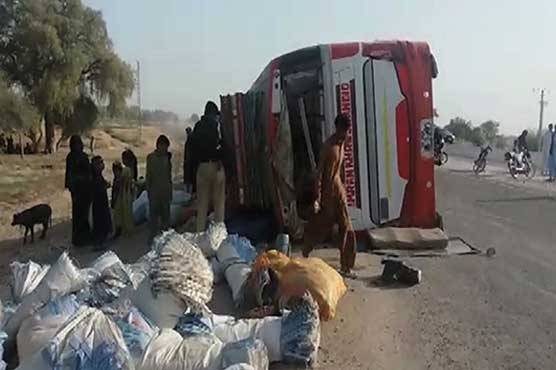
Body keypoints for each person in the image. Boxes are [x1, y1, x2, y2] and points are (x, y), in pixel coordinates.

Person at [303, 113, 357, 278]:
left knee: (346, 227)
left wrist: (344, 186)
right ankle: (305, 251)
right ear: (338, 128)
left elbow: (339, 169)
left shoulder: (342, 144)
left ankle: (347, 266)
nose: (346, 134)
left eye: (347, 131)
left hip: (338, 192)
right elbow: (319, 174)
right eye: (344, 130)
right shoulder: (328, 146)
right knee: (321, 227)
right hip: (327, 195)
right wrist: (317, 198)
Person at [190, 101, 228, 232]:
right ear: (213, 114)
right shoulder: (217, 125)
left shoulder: (197, 126)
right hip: (215, 166)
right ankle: (218, 237)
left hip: (201, 168)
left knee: (202, 205)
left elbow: (192, 150)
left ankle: (200, 235)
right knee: (219, 204)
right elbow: (223, 145)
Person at [65, 135, 92, 246]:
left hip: (84, 189)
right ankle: (78, 238)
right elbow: (69, 174)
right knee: (77, 215)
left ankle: (84, 237)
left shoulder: (83, 156)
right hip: (77, 190)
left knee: (84, 214)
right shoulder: (71, 157)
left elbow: (88, 173)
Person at [146, 135, 173, 242]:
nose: (165, 149)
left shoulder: (167, 158)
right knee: (153, 218)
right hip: (154, 193)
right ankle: (152, 238)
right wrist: (149, 191)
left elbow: (169, 176)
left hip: (165, 192)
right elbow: (149, 176)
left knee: (166, 218)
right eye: (164, 146)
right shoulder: (151, 158)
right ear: (159, 145)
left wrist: (170, 191)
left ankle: (165, 239)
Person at [90, 156, 112, 250]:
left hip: (102, 201)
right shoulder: (92, 176)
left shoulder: (99, 175)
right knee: (99, 222)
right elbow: (95, 188)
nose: (102, 165)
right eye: (99, 163)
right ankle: (98, 243)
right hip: (97, 202)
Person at [111, 161, 134, 238]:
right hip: (121, 198)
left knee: (126, 214)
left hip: (125, 197)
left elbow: (129, 185)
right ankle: (122, 229)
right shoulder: (118, 178)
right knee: (119, 215)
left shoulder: (125, 174)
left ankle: (127, 230)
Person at [183, 127, 195, 194]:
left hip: (189, 162)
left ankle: (188, 193)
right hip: (189, 162)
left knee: (188, 178)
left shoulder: (190, 139)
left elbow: (188, 152)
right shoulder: (191, 138)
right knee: (189, 178)